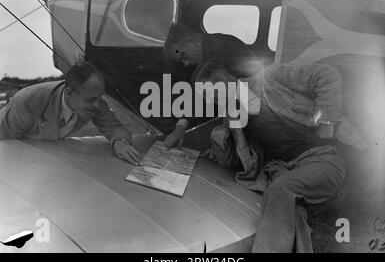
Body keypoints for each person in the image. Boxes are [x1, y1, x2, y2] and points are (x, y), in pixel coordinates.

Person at [193, 59, 368, 253]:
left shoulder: (271, 78)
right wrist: (222, 138)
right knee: (289, 210)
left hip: (323, 158)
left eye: (212, 95)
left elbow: (327, 74)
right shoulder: (231, 114)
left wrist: (327, 122)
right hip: (281, 169)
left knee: (281, 190)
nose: (210, 102)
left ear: (226, 80)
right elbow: (235, 162)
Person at [0, 62, 142, 165]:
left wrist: (120, 142)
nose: (97, 105)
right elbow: (4, 142)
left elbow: (115, 128)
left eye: (100, 97)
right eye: (91, 99)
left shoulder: (95, 102)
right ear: (69, 92)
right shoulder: (28, 101)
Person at [163, 23, 260, 149]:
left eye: (183, 56)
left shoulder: (227, 49)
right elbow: (196, 99)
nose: (186, 63)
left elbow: (246, 95)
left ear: (191, 42)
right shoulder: (202, 67)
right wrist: (180, 128)